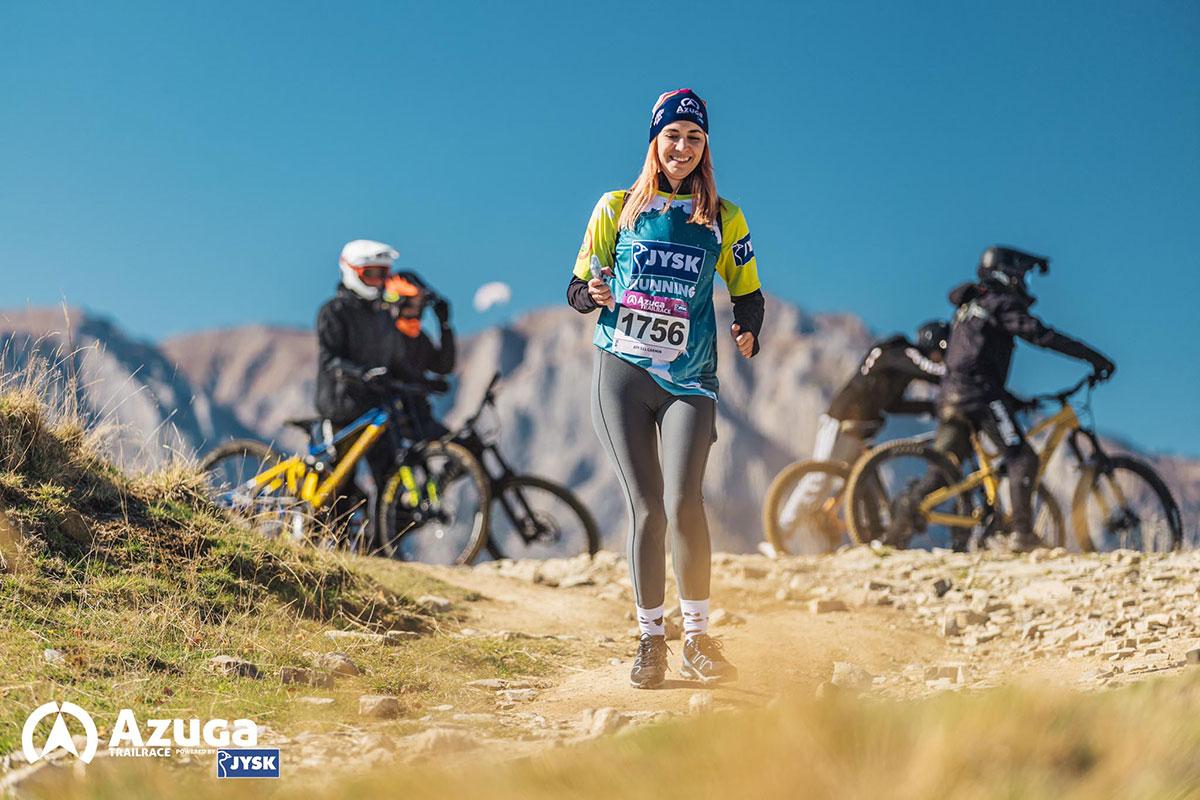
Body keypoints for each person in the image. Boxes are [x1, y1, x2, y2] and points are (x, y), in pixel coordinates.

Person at [567, 89, 764, 689]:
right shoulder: (618, 207)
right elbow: (577, 287)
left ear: (705, 148)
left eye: (694, 138)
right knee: (647, 508)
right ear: (655, 141)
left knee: (684, 503)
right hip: (624, 375)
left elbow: (748, 291)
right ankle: (651, 640)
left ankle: (698, 638)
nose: (682, 147)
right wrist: (593, 296)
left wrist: (747, 327)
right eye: (673, 135)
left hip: (691, 380)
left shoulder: (725, 216)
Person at [885, 245, 1115, 552]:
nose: (1024, 283)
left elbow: (972, 360)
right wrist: (1094, 358)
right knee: (1022, 458)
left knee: (941, 471)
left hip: (952, 397)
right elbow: (1041, 335)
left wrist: (1016, 401)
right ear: (1007, 274)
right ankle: (1022, 534)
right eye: (1021, 275)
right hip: (979, 396)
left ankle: (891, 537)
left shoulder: (968, 308)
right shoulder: (1000, 303)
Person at [315, 240, 456, 523]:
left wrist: (424, 383)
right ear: (352, 271)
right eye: (372, 274)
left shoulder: (383, 317)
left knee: (388, 479)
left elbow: (401, 364)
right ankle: (332, 542)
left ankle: (384, 547)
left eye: (383, 274)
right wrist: (360, 373)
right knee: (339, 484)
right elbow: (331, 360)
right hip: (342, 411)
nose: (379, 282)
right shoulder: (333, 311)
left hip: (377, 412)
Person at [777, 320, 949, 534]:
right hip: (841, 420)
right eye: (940, 353)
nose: (939, 359)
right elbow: (929, 370)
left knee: (862, 481)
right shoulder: (900, 351)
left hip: (861, 428)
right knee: (819, 479)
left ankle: (872, 534)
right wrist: (955, 372)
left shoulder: (899, 370)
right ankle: (780, 532)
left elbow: (893, 405)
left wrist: (931, 408)